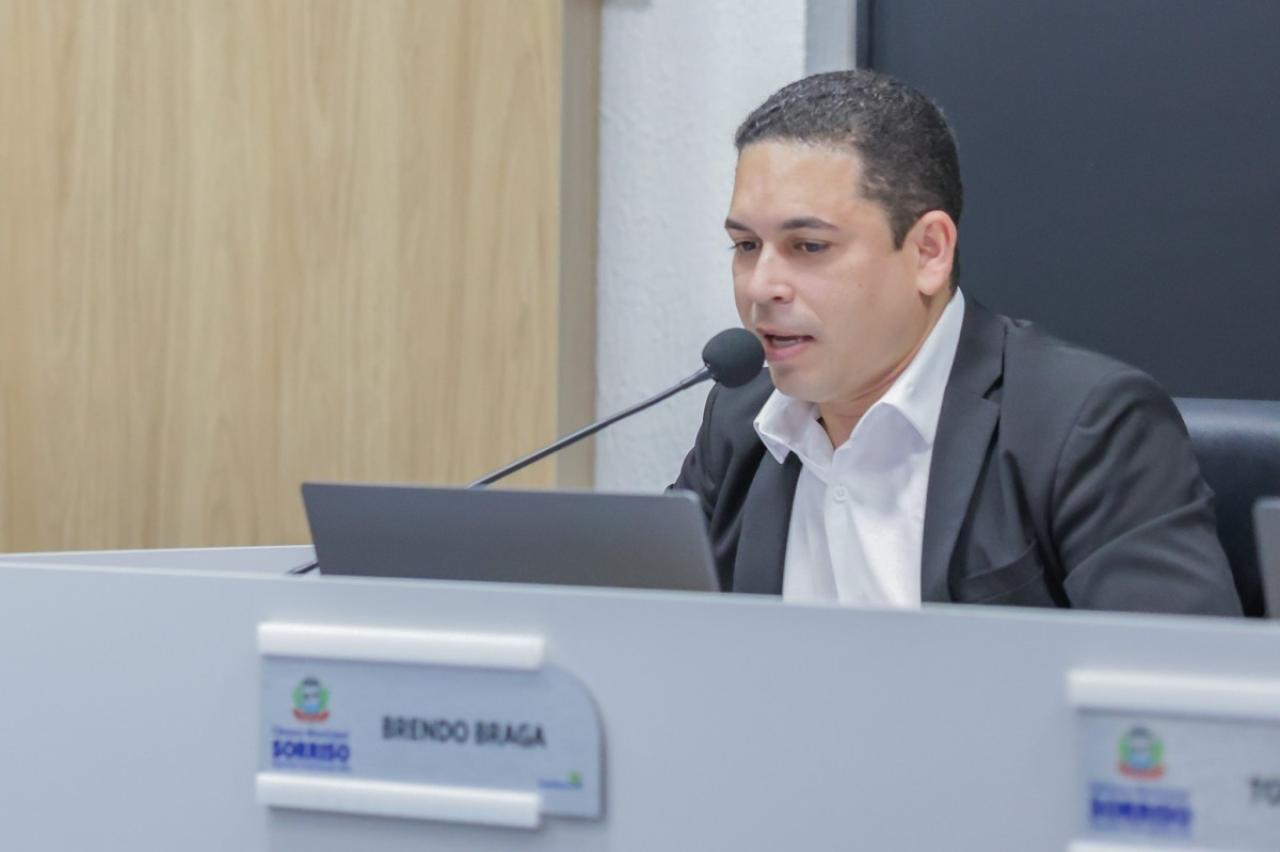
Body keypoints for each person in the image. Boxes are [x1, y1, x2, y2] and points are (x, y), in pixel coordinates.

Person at [671, 70, 1241, 615]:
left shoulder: (1086, 426)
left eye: (809, 246)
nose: (762, 286)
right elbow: (658, 636)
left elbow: (1174, 676)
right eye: (746, 246)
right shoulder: (739, 419)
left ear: (928, 252)